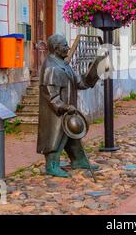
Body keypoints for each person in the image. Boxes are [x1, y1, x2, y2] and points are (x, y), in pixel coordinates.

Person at [37, 34, 109, 178]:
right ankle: (51, 165)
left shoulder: (64, 64)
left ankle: (78, 159)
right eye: (65, 46)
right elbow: (51, 95)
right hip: (56, 113)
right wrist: (63, 106)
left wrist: (95, 70)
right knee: (55, 139)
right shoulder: (50, 68)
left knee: (71, 135)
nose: (68, 48)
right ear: (56, 49)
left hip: (68, 111)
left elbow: (80, 82)